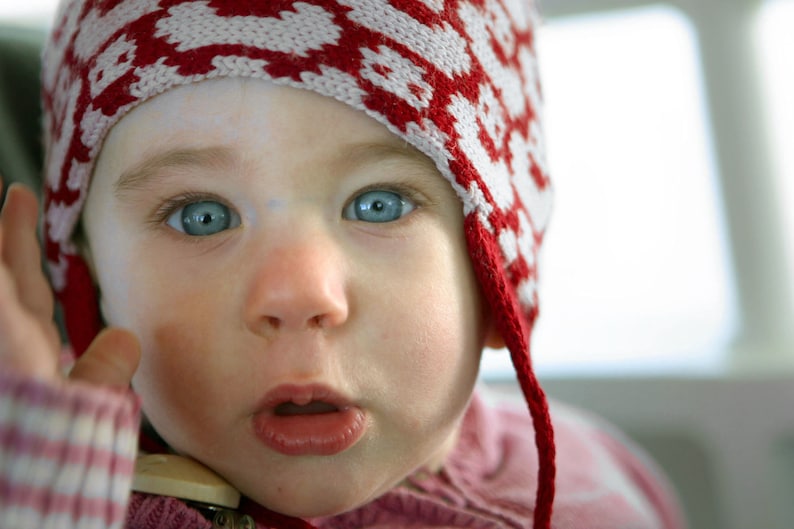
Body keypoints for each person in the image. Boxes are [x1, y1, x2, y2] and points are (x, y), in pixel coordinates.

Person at [0, 1, 686, 528]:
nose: (297, 294)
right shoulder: (34, 483)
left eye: (379, 204)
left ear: (498, 264)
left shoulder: (596, 485)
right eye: (199, 215)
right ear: (88, 277)